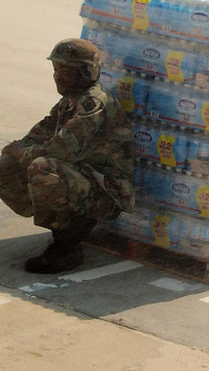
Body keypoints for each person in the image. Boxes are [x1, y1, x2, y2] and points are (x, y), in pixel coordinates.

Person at [0, 38, 134, 273]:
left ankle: (67, 247)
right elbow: (38, 135)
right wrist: (16, 151)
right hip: (81, 179)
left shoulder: (94, 105)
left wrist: (22, 152)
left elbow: (59, 150)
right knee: (7, 165)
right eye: (56, 70)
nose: (58, 77)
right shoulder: (68, 102)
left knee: (43, 167)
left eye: (66, 71)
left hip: (107, 190)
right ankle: (60, 226)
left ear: (86, 73)